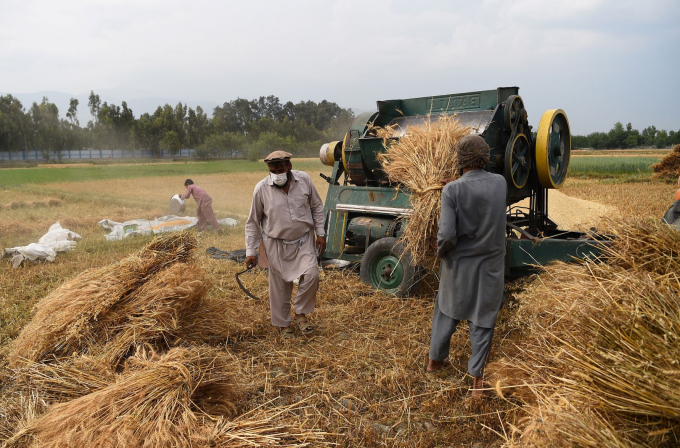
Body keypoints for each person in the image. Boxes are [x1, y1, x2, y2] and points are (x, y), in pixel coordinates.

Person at [427, 135, 507, 398]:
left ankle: (434, 362)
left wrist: (440, 253)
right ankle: (477, 382)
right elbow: (481, 190)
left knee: (446, 310)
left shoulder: (452, 191)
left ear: (460, 162)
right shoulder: (500, 183)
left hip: (458, 265)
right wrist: (459, 185)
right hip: (490, 268)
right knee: (483, 320)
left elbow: (447, 235)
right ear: (485, 157)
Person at [244, 151, 326, 338]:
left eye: (280, 169)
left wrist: (320, 233)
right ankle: (283, 325)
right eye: (273, 170)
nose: (277, 174)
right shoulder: (261, 189)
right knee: (280, 286)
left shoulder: (304, 180)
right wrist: (251, 251)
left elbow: (316, 207)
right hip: (276, 244)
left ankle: (300, 313)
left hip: (304, 240)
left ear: (289, 166)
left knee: (312, 274)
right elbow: (252, 222)